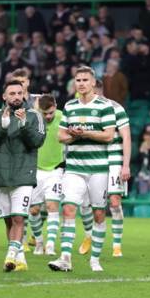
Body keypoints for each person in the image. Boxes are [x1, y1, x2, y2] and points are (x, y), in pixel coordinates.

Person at [49, 66, 116, 273]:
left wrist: (84, 134)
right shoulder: (69, 106)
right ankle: (65, 258)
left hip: (98, 169)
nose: (81, 83)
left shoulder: (105, 106)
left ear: (93, 83)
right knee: (68, 209)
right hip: (74, 168)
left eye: (85, 80)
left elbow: (109, 136)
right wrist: (75, 135)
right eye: (78, 80)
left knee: (98, 215)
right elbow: (61, 137)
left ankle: (95, 259)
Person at [0, 80, 45, 272]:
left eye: (19, 93)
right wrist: (2, 127)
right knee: (8, 220)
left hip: (24, 174)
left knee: (19, 218)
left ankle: (10, 256)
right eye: (12, 93)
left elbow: (38, 141)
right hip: (1, 175)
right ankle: (20, 259)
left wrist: (24, 125)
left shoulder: (34, 116)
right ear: (4, 96)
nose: (16, 97)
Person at [78, 79, 131, 258]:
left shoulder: (116, 108)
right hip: (91, 160)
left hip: (114, 160)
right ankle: (89, 235)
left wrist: (126, 165)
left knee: (114, 203)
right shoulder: (80, 108)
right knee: (85, 203)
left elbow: (126, 137)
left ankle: (117, 245)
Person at [29, 94, 63, 256]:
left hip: (56, 170)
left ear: (55, 106)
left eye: (51, 113)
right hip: (36, 170)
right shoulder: (33, 120)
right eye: (45, 114)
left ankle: (50, 245)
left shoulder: (64, 117)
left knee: (51, 206)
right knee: (34, 211)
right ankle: (39, 242)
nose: (49, 116)